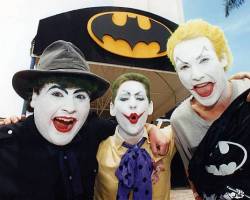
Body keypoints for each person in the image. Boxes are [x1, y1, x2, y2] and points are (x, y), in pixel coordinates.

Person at [0, 40, 166, 200]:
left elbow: (127, 125)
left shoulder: (92, 130)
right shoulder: (7, 148)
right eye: (57, 94)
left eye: (80, 96)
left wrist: (152, 129)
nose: (70, 107)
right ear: (34, 97)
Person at [166, 19, 250, 199]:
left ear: (223, 58)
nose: (196, 75)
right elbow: (194, 175)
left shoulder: (247, 92)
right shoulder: (180, 120)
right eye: (184, 66)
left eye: (204, 60)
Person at [94, 73, 175, 200]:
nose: (132, 104)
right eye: (124, 99)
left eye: (140, 98)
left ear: (150, 107)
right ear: (112, 108)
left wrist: (151, 127)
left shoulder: (166, 139)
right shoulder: (97, 150)